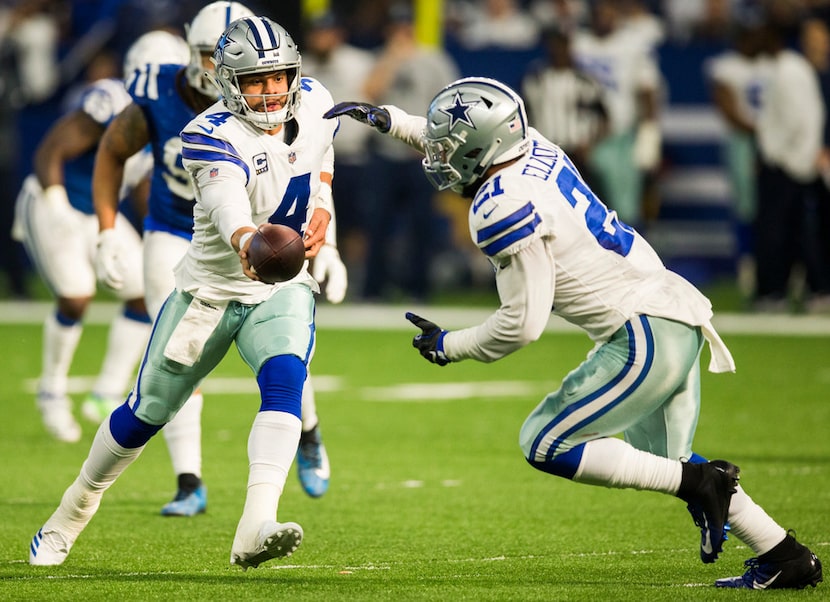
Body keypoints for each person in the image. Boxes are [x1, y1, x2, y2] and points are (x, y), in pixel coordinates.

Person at [324, 76, 824, 589]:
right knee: (665, 464)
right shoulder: (534, 145)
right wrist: (392, 121)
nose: (438, 154)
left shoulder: (499, 203)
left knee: (545, 442)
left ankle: (702, 483)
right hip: (671, 313)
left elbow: (522, 324)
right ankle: (785, 556)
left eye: (447, 146)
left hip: (642, 332)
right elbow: (473, 142)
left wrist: (449, 345)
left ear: (483, 146)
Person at [29, 14, 335, 569]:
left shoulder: (313, 100)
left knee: (287, 379)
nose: (272, 92)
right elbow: (226, 206)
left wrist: (324, 221)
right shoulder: (206, 133)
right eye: (255, 81)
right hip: (211, 290)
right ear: (229, 83)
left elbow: (320, 154)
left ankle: (254, 524)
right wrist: (248, 238)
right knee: (146, 411)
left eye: (279, 78)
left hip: (278, 288)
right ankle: (72, 511)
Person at [10, 29, 188, 443]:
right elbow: (50, 151)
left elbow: (147, 184)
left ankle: (106, 392)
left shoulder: (169, 114)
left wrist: (160, 232)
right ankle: (51, 390)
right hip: (56, 201)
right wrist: (55, 205)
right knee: (76, 294)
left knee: (145, 290)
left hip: (98, 213)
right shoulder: (110, 99)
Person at [359, 2, 459, 301]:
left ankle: (418, 288)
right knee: (377, 225)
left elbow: (450, 103)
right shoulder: (379, 58)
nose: (400, 32)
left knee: (421, 226)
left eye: (404, 26)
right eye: (395, 27)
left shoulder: (433, 59)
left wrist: (436, 144)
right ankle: (374, 289)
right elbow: (370, 93)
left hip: (420, 154)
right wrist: (392, 57)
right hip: (386, 153)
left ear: (412, 28)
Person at [753, 19, 826, 312]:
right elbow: (801, 121)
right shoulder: (792, 70)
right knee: (794, 233)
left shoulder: (791, 71)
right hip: (794, 164)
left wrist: (778, 154)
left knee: (783, 233)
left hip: (789, 165)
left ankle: (776, 292)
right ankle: (790, 291)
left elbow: (800, 122)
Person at [705, 22, 770, 301]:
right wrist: (764, 132)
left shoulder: (771, 65)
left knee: (776, 208)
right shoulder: (727, 66)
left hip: (775, 141)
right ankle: (748, 267)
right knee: (746, 207)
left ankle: (776, 267)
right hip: (744, 142)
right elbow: (728, 109)